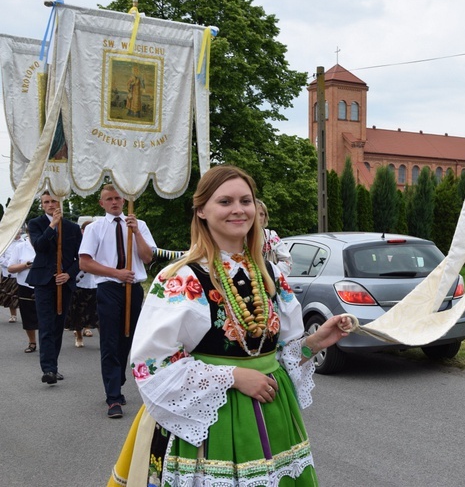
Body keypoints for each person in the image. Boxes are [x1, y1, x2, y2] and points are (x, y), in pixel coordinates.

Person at [110, 165, 353, 486]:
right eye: (225, 202)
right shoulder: (180, 279)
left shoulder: (270, 275)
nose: (238, 209)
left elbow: (279, 354)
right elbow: (152, 365)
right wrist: (234, 376)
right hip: (207, 419)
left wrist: (318, 340)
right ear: (202, 211)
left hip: (272, 414)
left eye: (245, 200)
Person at [79, 184, 156, 418]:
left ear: (124, 201)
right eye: (109, 199)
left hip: (133, 288)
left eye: (118, 198)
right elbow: (85, 263)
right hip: (109, 288)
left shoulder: (138, 224)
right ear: (101, 203)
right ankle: (113, 397)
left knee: (129, 339)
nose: (114, 202)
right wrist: (116, 273)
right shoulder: (95, 228)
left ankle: (118, 376)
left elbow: (147, 257)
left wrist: (137, 233)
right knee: (110, 341)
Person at [26, 191, 81, 384]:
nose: (50, 205)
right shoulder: (35, 224)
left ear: (60, 202)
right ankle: (48, 369)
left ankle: (53, 365)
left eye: (54, 201)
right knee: (46, 324)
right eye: (46, 202)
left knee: (58, 325)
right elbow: (40, 247)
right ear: (42, 205)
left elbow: (81, 257)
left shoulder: (73, 228)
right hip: (43, 281)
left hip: (63, 282)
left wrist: (69, 274)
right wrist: (52, 226)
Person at [66, 221, 99, 348]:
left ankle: (102, 339)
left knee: (98, 313)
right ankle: (79, 336)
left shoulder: (100, 242)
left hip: (96, 281)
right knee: (78, 312)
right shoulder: (77, 243)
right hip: (80, 281)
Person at [6, 233, 38, 353]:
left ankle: (48, 343)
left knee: (47, 315)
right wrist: (25, 265)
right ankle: (32, 342)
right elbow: (11, 268)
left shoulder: (47, 244)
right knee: (28, 315)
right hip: (25, 285)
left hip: (45, 285)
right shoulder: (20, 247)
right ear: (29, 233)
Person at [256, 199, 293, 276]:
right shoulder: (239, 236)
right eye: (255, 214)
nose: (259, 218)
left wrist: (271, 273)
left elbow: (287, 261)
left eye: (262, 214)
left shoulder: (270, 236)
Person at [0, 230, 22, 323]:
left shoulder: (24, 243)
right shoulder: (6, 243)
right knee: (10, 295)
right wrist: (10, 265)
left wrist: (20, 266)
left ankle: (28, 315)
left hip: (21, 273)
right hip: (8, 273)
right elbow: (1, 256)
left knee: (22, 296)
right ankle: (13, 315)